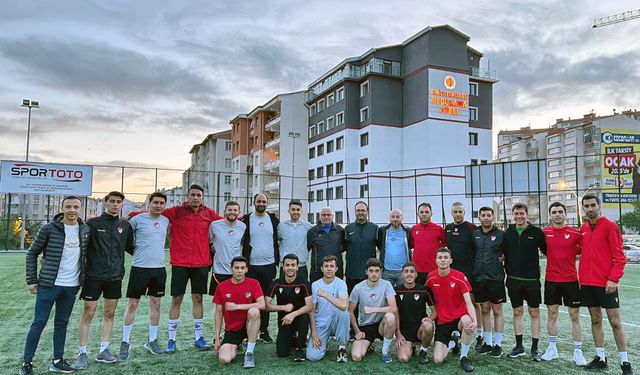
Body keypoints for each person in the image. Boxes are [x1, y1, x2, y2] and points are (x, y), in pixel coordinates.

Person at [20, 196, 90, 375]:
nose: (72, 210)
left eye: (75, 207)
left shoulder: (85, 230)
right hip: (49, 285)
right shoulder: (49, 228)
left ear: (80, 209)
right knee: (39, 323)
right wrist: (32, 280)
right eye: (68, 207)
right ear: (62, 208)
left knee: (62, 324)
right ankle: (27, 364)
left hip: (71, 286)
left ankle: (57, 361)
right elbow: (32, 253)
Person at [74, 191, 134, 369]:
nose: (115, 205)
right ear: (105, 203)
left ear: (122, 205)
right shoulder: (93, 223)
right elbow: (80, 246)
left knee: (109, 314)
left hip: (115, 278)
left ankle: (104, 350)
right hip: (94, 277)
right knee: (88, 314)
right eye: (112, 201)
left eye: (118, 202)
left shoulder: (125, 225)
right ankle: (82, 353)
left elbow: (132, 248)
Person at [162, 184, 223, 353]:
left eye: (199, 195)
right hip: (180, 263)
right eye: (193, 195)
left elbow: (227, 222)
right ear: (187, 197)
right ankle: (171, 339)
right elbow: (154, 213)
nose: (196, 197)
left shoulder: (209, 213)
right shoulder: (176, 211)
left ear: (203, 197)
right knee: (176, 299)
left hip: (202, 263)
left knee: (198, 298)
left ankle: (199, 338)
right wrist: (131, 214)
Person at [579, 194, 632, 374]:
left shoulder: (610, 226)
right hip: (587, 283)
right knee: (595, 320)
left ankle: (625, 362)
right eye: (586, 206)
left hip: (606, 283)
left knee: (615, 322)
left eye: (593, 205)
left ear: (599, 206)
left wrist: (614, 278)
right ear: (583, 208)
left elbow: (619, 257)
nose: (590, 208)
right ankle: (600, 357)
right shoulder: (583, 228)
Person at [119, 192, 170, 359]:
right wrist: (136, 252)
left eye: (161, 203)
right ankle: (125, 341)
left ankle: (152, 340)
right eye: (155, 202)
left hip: (159, 269)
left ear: (164, 205)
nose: (158, 205)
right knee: (133, 303)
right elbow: (125, 238)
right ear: (149, 203)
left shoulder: (165, 220)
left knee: (156, 303)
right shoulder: (137, 220)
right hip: (139, 268)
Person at [540, 202, 587, 365]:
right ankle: (552, 349)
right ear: (550, 215)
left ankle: (578, 351)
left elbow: (586, 249)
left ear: (565, 214)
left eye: (560, 211)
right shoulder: (544, 233)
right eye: (554, 212)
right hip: (551, 280)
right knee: (552, 314)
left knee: (575, 316)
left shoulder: (575, 233)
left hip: (571, 281)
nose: (557, 214)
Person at [503, 203, 546, 361]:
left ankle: (535, 349)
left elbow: (547, 251)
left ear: (527, 215)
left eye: (522, 213)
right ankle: (519, 346)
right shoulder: (508, 233)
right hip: (513, 281)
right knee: (517, 312)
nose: (519, 216)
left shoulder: (536, 232)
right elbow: (504, 253)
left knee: (534, 313)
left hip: (531, 281)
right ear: (512, 215)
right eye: (516, 213)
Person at [426, 248, 477, 372]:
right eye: (440, 258)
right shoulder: (430, 278)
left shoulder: (459, 276)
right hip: (442, 321)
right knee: (438, 359)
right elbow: (427, 298)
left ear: (451, 261)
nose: (443, 260)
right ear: (436, 260)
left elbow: (468, 302)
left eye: (445, 258)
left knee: (467, 321)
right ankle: (453, 343)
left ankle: (463, 357)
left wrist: (474, 320)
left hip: (459, 318)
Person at [213, 256, 265, 368]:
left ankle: (249, 352)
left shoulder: (254, 283)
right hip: (232, 329)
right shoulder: (222, 287)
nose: (239, 271)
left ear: (246, 269)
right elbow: (218, 312)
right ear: (231, 269)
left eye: (242, 268)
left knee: (254, 311)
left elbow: (262, 304)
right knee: (224, 359)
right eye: (236, 268)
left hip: (248, 326)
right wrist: (217, 338)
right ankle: (237, 345)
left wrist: (237, 307)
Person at [241, 193, 280, 343]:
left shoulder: (273, 219)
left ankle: (264, 331)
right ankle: (248, 331)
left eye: (264, 201)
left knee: (266, 299)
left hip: (269, 266)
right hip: (251, 266)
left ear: (267, 203)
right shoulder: (246, 219)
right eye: (259, 201)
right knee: (249, 299)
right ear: (253, 202)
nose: (261, 203)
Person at [446, 202, 482, 350]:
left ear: (464, 212)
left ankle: (479, 334)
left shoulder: (471, 228)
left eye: (460, 211)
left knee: (473, 302)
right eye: (455, 212)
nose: (458, 214)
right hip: (452, 271)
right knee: (453, 301)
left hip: (469, 271)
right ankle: (455, 333)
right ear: (452, 213)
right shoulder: (447, 228)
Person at [471, 207, 506, 358]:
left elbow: (508, 253)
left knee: (497, 310)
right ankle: (488, 342)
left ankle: (498, 345)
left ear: (493, 217)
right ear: (479, 217)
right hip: (479, 278)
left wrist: (504, 258)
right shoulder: (475, 234)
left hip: (495, 278)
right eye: (483, 215)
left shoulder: (501, 235)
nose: (486, 218)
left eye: (488, 215)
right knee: (484, 309)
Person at [349, 258, 397, 364]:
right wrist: (357, 331)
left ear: (381, 271)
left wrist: (374, 309)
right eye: (371, 271)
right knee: (357, 356)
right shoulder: (358, 288)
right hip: (366, 326)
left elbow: (393, 308)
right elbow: (350, 311)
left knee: (390, 316)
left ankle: (385, 351)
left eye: (377, 271)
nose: (374, 274)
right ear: (366, 272)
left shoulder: (387, 285)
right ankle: (369, 346)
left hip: (382, 325)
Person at [265, 254, 313, 361]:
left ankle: (300, 348)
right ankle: (292, 338)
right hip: (284, 321)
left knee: (304, 317)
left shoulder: (304, 283)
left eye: (293, 265)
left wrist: (293, 314)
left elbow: (309, 307)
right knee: (282, 353)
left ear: (297, 267)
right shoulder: (276, 283)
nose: (290, 268)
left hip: (299, 318)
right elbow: (266, 306)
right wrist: (283, 308)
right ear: (283, 266)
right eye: (287, 265)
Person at [306, 255, 350, 362]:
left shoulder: (341, 284)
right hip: (321, 324)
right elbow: (311, 311)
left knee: (344, 313)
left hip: (336, 322)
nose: (329, 269)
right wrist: (314, 333)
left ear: (336, 269)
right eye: (326, 266)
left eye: (332, 266)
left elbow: (344, 305)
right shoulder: (315, 285)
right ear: (322, 268)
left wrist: (325, 294)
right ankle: (321, 342)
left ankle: (342, 347)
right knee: (313, 357)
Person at [394, 262, 435, 364]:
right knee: (403, 359)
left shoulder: (424, 290)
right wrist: (398, 334)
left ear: (416, 274)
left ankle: (423, 351)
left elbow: (435, 312)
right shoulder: (396, 290)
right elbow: (395, 314)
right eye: (406, 271)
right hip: (405, 333)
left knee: (428, 325)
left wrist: (429, 318)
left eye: (412, 271)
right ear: (402, 274)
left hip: (420, 330)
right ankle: (410, 346)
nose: (409, 274)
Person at [208, 201, 246, 295]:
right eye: (229, 210)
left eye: (235, 210)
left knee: (237, 300)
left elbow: (242, 243)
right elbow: (208, 241)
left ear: (239, 212)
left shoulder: (242, 226)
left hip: (237, 271)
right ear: (225, 211)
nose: (232, 212)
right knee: (219, 304)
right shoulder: (214, 225)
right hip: (219, 271)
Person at [344, 202, 379, 293]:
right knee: (353, 303)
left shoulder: (374, 228)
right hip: (351, 273)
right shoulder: (348, 228)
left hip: (369, 274)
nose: (360, 212)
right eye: (358, 210)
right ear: (355, 212)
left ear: (367, 211)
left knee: (369, 302)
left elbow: (380, 247)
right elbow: (343, 246)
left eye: (363, 210)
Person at [411, 202, 447, 285]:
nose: (424, 214)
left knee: (434, 296)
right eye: (421, 212)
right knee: (420, 296)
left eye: (427, 212)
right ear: (418, 214)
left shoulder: (438, 229)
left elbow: (445, 245)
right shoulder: (413, 229)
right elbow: (411, 245)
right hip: (417, 271)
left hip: (434, 270)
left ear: (431, 214)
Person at [307, 207, 345, 282]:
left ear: (332, 216)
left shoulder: (340, 230)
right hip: (317, 272)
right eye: (323, 215)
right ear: (319, 216)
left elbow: (344, 246)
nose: (326, 217)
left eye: (328, 215)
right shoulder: (312, 231)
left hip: (336, 271)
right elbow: (307, 248)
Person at [277, 200, 312, 280]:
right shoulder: (281, 226)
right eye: (293, 209)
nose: (295, 212)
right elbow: (278, 241)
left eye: (298, 210)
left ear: (301, 211)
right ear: (289, 211)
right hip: (286, 267)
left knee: (302, 291)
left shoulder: (308, 226)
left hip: (301, 266)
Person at [379, 209, 413, 287]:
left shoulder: (407, 231)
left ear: (402, 218)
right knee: (387, 296)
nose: (395, 219)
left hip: (403, 271)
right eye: (393, 216)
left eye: (398, 217)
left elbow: (411, 245)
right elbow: (379, 246)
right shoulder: (383, 230)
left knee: (402, 296)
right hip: (386, 271)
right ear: (389, 218)